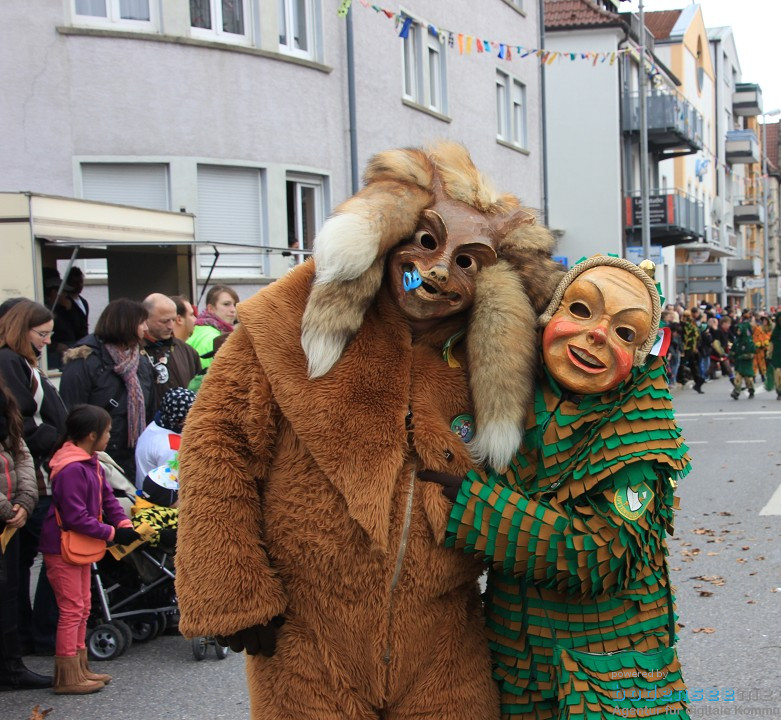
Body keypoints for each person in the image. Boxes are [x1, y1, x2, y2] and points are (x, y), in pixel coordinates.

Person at [174, 143, 564, 720]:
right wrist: (231, 592)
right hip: (308, 638)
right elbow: (218, 447)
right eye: (428, 243)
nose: (437, 275)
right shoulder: (289, 315)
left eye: (467, 263)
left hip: (443, 640)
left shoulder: (496, 354)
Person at [425, 257, 692, 719]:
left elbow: (597, 556)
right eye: (583, 310)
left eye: (625, 333)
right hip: (519, 666)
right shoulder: (514, 393)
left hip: (607, 681)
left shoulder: (640, 439)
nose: (597, 335)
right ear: (550, 313)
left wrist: (475, 506)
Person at [40, 404, 139, 694]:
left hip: (80, 544)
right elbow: (74, 517)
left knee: (82, 607)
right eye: (107, 431)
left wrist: (122, 522)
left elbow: (107, 498)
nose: (111, 435)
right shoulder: (71, 468)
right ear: (92, 435)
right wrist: (111, 533)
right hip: (62, 546)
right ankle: (67, 676)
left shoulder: (91, 460)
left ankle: (80, 668)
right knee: (72, 609)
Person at [0, 300, 67, 656]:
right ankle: (35, 636)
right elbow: (22, 423)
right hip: (35, 474)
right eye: (41, 334)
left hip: (38, 471)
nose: (46, 341)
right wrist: (58, 437)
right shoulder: (9, 361)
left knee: (27, 564)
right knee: (40, 559)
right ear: (20, 328)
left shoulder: (20, 361)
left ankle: (29, 636)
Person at [60, 299, 157, 481]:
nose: (146, 328)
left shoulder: (141, 361)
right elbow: (70, 410)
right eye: (141, 322)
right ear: (125, 324)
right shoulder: (85, 359)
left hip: (133, 455)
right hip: (96, 456)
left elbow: (150, 406)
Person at [0, 374, 52, 691]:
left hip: (12, 517)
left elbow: (20, 450)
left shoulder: (5, 400)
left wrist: (23, 500)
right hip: (5, 513)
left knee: (9, 592)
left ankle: (11, 666)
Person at [142, 294, 201, 402]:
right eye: (164, 321)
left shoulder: (188, 352)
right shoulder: (133, 351)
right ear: (146, 319)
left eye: (173, 320)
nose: (170, 326)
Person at [134, 388, 194, 485]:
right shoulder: (171, 447)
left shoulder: (157, 424)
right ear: (178, 418)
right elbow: (174, 483)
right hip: (158, 497)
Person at [186, 285, 238, 374]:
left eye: (235, 305)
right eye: (226, 304)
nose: (233, 310)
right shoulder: (215, 339)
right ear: (211, 309)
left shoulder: (198, 329)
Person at [730, 320, 756, 400]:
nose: (738, 332)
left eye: (739, 330)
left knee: (748, 380)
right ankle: (736, 392)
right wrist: (731, 354)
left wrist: (743, 356)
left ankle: (751, 391)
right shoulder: (737, 341)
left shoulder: (749, 342)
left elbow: (752, 354)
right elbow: (733, 350)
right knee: (737, 378)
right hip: (739, 364)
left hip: (746, 364)